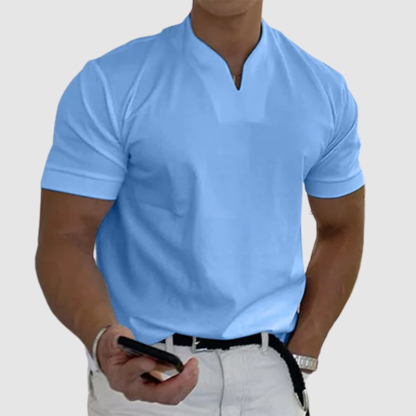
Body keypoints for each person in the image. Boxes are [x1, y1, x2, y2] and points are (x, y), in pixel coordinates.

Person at [35, 0, 365, 415]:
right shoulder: (111, 84)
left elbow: (341, 226)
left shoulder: (323, 90)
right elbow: (66, 238)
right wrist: (104, 340)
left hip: (272, 378)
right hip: (148, 376)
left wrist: (304, 350)